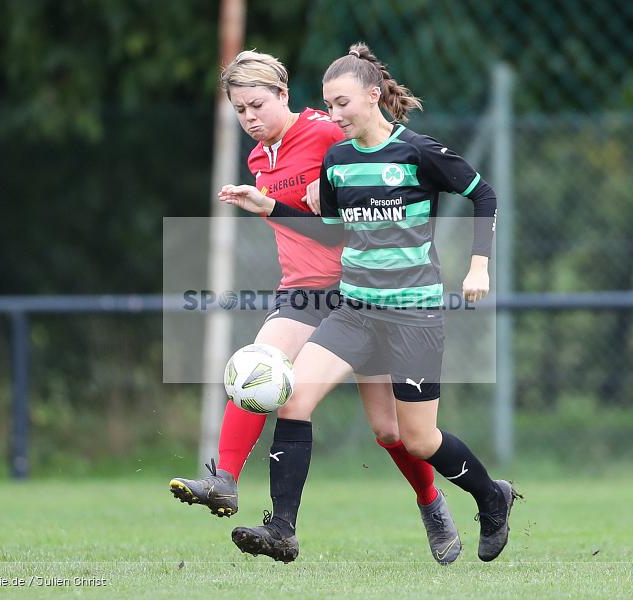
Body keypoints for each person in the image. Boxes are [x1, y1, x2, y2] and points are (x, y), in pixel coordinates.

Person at [220, 43, 518, 564]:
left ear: (373, 96)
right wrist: (269, 205)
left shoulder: (417, 151)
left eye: (341, 104)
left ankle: (491, 496)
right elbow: (327, 231)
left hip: (413, 316)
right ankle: (282, 530)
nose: (333, 116)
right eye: (328, 106)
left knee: (416, 439)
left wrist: (479, 265)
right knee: (292, 399)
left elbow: (483, 194)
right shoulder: (337, 160)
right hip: (354, 311)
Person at [169, 50, 463, 565]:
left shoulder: (328, 133)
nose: (250, 118)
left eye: (258, 104)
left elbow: (376, 166)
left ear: (284, 94)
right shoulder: (259, 160)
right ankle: (225, 481)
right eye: (240, 110)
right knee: (258, 366)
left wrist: (333, 196)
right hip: (302, 291)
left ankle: (431, 502)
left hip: (361, 289)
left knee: (390, 430)